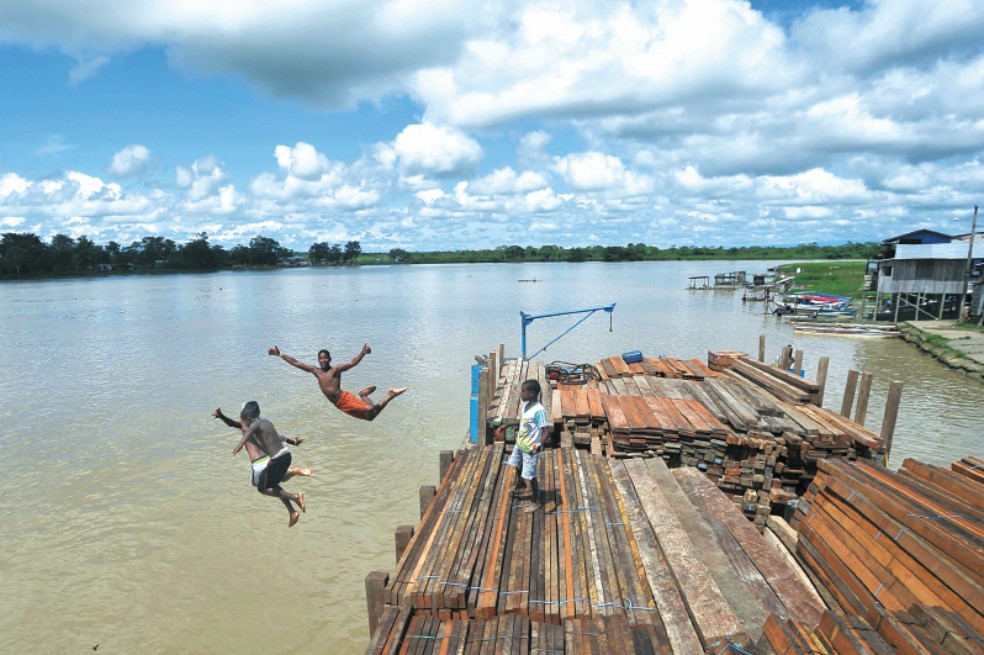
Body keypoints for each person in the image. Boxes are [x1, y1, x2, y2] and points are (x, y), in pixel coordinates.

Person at [268, 344, 407, 421]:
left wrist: (363, 353)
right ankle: (364, 395)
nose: (323, 360)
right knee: (370, 417)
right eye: (320, 359)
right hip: (338, 404)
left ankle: (391, 394)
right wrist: (280, 354)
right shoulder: (315, 371)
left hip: (344, 398)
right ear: (318, 360)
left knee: (370, 410)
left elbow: (352, 363)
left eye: (325, 358)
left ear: (330, 359)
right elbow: (296, 363)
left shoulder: (335, 370)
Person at [230, 401, 306, 527]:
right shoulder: (267, 423)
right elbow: (279, 437)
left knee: (262, 487)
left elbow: (245, 433)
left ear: (248, 418)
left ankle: (295, 496)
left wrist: (238, 446)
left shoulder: (254, 425)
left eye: (243, 420)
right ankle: (292, 511)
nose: (242, 423)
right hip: (287, 456)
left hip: (275, 460)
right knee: (273, 484)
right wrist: (293, 442)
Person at [213, 407, 313, 482]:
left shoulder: (247, 429)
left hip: (259, 462)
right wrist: (294, 442)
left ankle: (293, 472)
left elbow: (233, 424)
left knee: (263, 483)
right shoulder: (262, 429)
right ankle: (294, 471)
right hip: (270, 458)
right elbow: (280, 437)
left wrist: (221, 416)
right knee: (280, 478)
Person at [496, 379, 551, 513]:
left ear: (532, 393)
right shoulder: (526, 406)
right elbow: (524, 420)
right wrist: (508, 425)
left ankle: (536, 501)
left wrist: (538, 446)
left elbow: (546, 431)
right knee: (516, 464)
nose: (521, 394)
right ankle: (520, 483)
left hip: (530, 449)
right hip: (520, 443)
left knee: (530, 475)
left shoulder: (539, 411)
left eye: (523, 391)